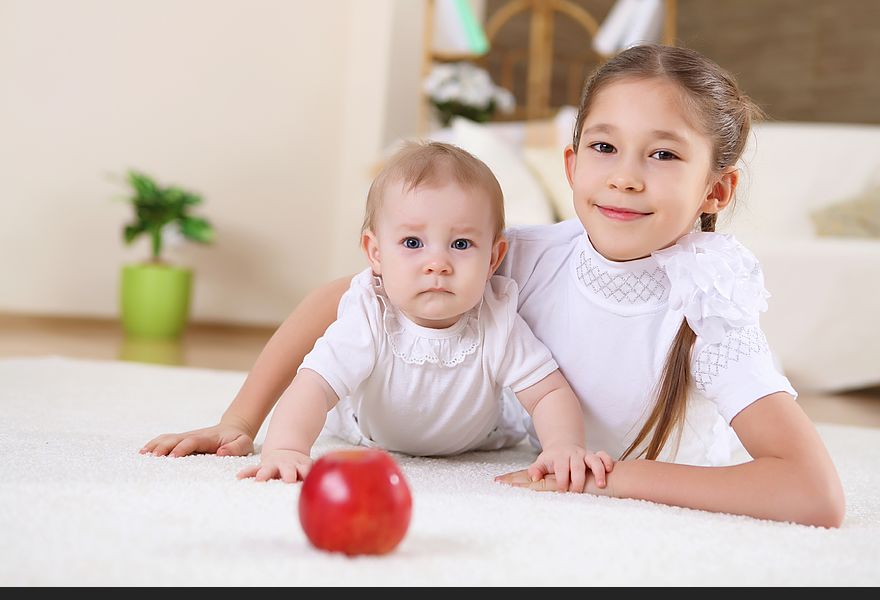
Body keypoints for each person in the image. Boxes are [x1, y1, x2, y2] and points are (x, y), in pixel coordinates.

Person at [143, 45, 844, 527]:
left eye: (663, 154)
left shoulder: (709, 307)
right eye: (605, 147)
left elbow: (813, 492)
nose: (626, 175)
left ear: (716, 188)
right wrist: (240, 422)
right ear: (571, 164)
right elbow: (339, 299)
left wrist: (609, 477)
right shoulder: (533, 257)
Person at [142, 142, 612, 491]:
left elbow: (548, 391)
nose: (437, 262)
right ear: (375, 253)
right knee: (323, 406)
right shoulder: (370, 312)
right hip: (368, 429)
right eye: (412, 243)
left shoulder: (497, 314)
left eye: (462, 244)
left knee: (521, 413)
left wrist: (561, 446)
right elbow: (312, 387)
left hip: (476, 435)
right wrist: (286, 450)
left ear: (493, 258)